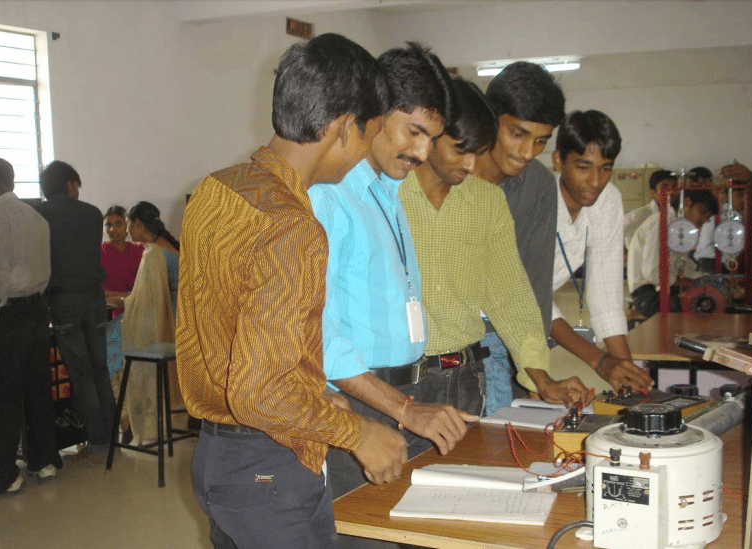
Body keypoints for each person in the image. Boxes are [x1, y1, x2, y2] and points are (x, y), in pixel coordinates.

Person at [176, 33, 406, 549]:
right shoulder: (292, 227)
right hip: (268, 469)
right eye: (369, 136)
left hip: (217, 458)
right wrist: (361, 434)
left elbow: (229, 337)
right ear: (345, 128)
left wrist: (317, 396)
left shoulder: (216, 189)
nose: (364, 154)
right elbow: (259, 393)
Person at [308, 45, 479, 523]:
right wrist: (404, 409)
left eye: (433, 137)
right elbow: (318, 333)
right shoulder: (330, 194)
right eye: (414, 131)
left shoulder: (388, 191)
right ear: (377, 113)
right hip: (358, 408)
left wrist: (414, 404)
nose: (423, 152)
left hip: (402, 396)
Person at [400, 79, 591, 417]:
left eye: (478, 151)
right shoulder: (389, 194)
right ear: (431, 134)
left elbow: (510, 294)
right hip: (396, 386)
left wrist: (539, 376)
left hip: (463, 380)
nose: (472, 166)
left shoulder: (488, 202)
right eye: (462, 150)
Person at [471, 61, 565, 411]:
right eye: (517, 134)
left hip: (504, 340)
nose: (528, 152)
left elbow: (533, 282)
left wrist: (535, 374)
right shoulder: (448, 173)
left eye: (540, 141)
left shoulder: (539, 185)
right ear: (489, 120)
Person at [548, 110, 653, 392]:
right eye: (583, 167)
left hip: (527, 317)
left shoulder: (608, 201)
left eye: (606, 168)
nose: (596, 181)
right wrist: (600, 362)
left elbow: (606, 298)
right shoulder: (535, 200)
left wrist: (629, 379)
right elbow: (528, 297)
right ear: (558, 161)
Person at [0, 158, 62, 494]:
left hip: (10, 315)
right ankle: (43, 461)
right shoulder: (35, 215)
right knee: (36, 389)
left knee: (4, 395)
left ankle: (3, 474)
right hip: (36, 312)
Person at [35, 161, 116, 454]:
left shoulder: (37, 215)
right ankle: (111, 433)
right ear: (70, 184)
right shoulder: (93, 213)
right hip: (94, 299)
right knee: (100, 368)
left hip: (61, 301)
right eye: (77, 185)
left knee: (80, 372)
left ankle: (96, 439)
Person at [105, 201, 180, 446]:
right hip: (178, 322)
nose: (123, 230)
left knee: (110, 343)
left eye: (125, 224)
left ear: (137, 224)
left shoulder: (152, 254)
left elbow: (142, 301)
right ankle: (125, 416)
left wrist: (112, 298)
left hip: (164, 327)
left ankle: (125, 417)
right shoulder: (169, 246)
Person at [627, 189, 718, 318]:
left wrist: (706, 279)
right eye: (702, 211)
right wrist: (693, 283)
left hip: (665, 289)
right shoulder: (661, 222)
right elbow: (653, 273)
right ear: (686, 203)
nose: (702, 219)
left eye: (707, 217)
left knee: (714, 297)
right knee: (702, 310)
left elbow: (683, 264)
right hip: (649, 295)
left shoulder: (678, 227)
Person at [101, 205, 144, 319]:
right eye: (108, 225)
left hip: (141, 309)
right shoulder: (98, 252)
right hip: (110, 313)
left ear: (127, 226)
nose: (112, 229)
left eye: (118, 224)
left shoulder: (140, 250)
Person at [623, 169, 678, 249]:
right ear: (653, 192)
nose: (671, 191)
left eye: (674, 186)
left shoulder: (673, 215)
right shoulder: (640, 215)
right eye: (664, 186)